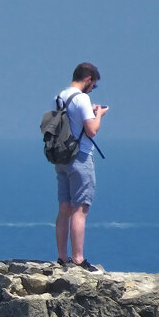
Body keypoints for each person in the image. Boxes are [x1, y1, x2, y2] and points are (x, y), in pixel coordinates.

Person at [55, 62, 108, 271]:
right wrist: (99, 114)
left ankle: (62, 257)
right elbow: (92, 130)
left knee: (64, 208)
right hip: (80, 157)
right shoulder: (82, 98)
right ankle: (78, 258)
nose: (92, 89)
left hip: (61, 157)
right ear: (88, 79)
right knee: (80, 209)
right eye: (93, 86)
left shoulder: (59, 97)